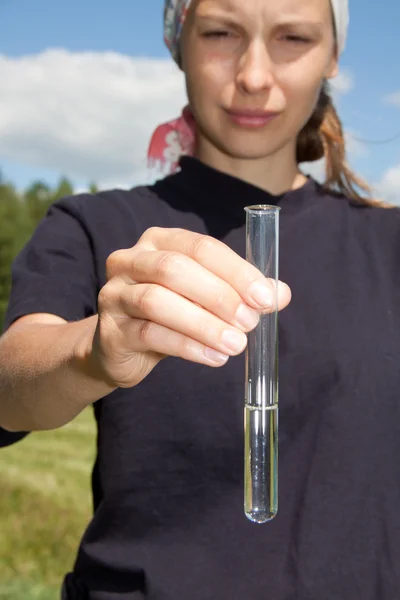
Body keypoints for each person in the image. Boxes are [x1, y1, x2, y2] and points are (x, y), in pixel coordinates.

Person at [1, 0, 399, 598]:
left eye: (293, 37)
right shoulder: (97, 224)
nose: (255, 76)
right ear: (177, 40)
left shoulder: (388, 243)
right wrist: (95, 350)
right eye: (221, 32)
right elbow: (10, 386)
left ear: (334, 55)